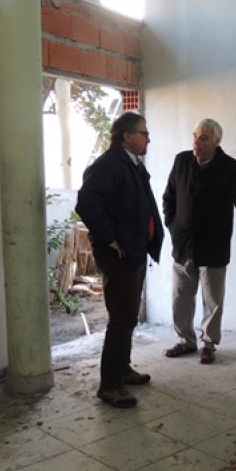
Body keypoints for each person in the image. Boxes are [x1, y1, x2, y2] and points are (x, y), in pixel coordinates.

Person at [75, 112, 163, 408]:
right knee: (122, 318)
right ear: (127, 135)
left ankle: (122, 370)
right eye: (144, 133)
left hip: (134, 250)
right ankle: (110, 386)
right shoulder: (108, 165)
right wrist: (109, 238)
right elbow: (87, 203)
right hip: (119, 254)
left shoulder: (131, 163)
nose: (148, 139)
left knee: (128, 316)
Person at [162, 118, 236, 365]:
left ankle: (207, 344)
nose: (196, 142)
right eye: (195, 136)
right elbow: (169, 197)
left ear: (217, 142)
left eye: (203, 138)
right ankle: (185, 340)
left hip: (213, 243)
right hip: (184, 243)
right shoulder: (181, 161)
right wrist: (173, 226)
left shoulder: (230, 168)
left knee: (212, 300)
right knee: (180, 296)